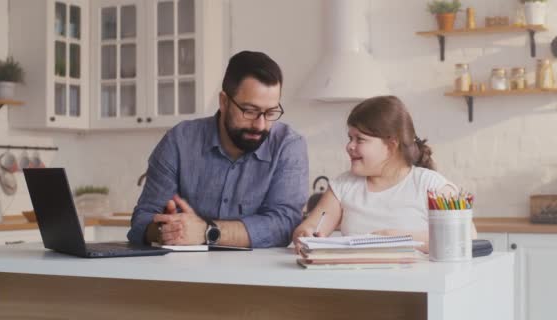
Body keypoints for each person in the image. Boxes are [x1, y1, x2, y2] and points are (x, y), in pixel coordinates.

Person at [127, 51, 309, 248]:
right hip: (182, 274)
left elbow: (284, 224)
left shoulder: (288, 146)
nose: (260, 125)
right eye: (250, 111)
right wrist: (169, 231)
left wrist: (207, 232)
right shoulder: (179, 141)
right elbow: (142, 220)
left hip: (257, 275)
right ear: (224, 102)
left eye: (271, 112)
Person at [292, 96, 477, 253]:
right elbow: (310, 227)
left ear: (391, 145)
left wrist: (395, 238)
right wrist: (304, 235)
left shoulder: (429, 185)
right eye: (350, 138)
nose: (350, 146)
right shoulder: (344, 185)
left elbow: (467, 237)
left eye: (360, 139)